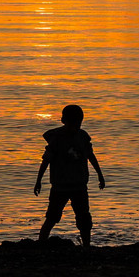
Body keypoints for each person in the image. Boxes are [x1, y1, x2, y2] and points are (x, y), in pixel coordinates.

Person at [34, 104, 106, 247]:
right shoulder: (56, 139)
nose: (76, 126)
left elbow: (91, 156)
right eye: (74, 123)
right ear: (63, 121)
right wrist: (38, 181)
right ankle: (41, 244)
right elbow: (46, 160)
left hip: (79, 186)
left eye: (79, 123)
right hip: (59, 187)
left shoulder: (83, 137)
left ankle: (86, 245)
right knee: (52, 217)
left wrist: (100, 175)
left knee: (84, 218)